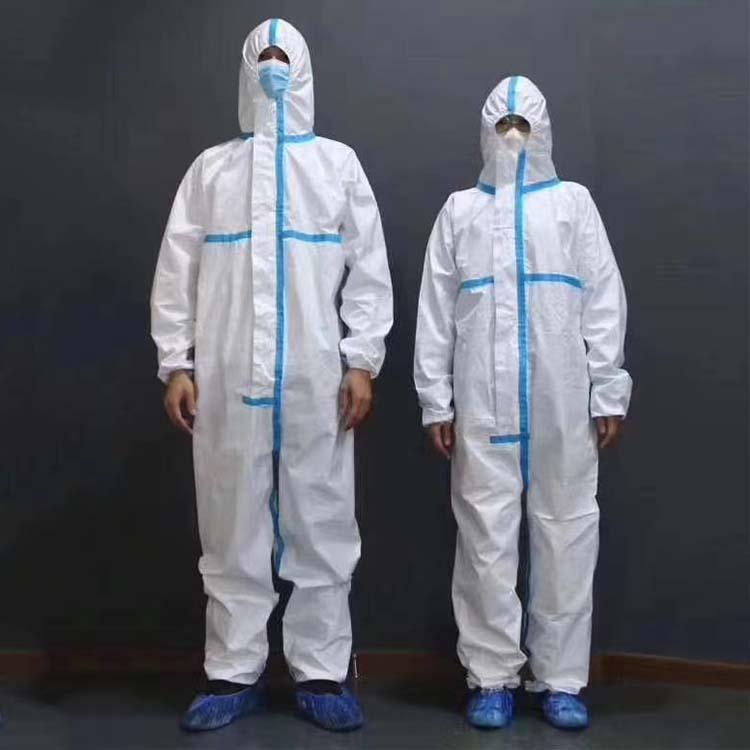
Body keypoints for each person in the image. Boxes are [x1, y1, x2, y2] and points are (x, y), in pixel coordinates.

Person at [151, 18, 392, 733]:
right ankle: (232, 671)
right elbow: (177, 271)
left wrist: (362, 359)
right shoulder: (211, 171)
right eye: (264, 59)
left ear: (305, 71)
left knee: (322, 520)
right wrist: (177, 362)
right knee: (231, 524)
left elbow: (369, 270)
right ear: (246, 71)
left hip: (317, 379)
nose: (275, 72)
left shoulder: (337, 166)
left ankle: (321, 671)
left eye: (286, 60)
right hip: (227, 378)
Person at [414, 75, 631, 731]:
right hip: (483, 407)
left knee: (568, 533)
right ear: (485, 134)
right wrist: (436, 401)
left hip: (562, 403)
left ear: (543, 132)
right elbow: (435, 313)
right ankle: (491, 677)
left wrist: (608, 387)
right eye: (501, 126)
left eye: (523, 126)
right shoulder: (460, 212)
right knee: (484, 542)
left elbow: (603, 298)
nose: (512, 137)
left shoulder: (572, 205)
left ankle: (561, 679)